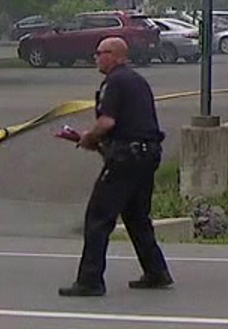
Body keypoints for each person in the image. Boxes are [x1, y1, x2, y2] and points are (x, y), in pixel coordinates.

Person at [59, 36, 174, 297]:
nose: (96, 57)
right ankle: (156, 271)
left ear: (117, 55)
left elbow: (108, 122)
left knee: (98, 218)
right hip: (147, 156)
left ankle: (90, 280)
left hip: (126, 158)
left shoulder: (115, 81)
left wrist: (88, 137)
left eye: (101, 52)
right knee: (136, 217)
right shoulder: (137, 81)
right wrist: (96, 142)